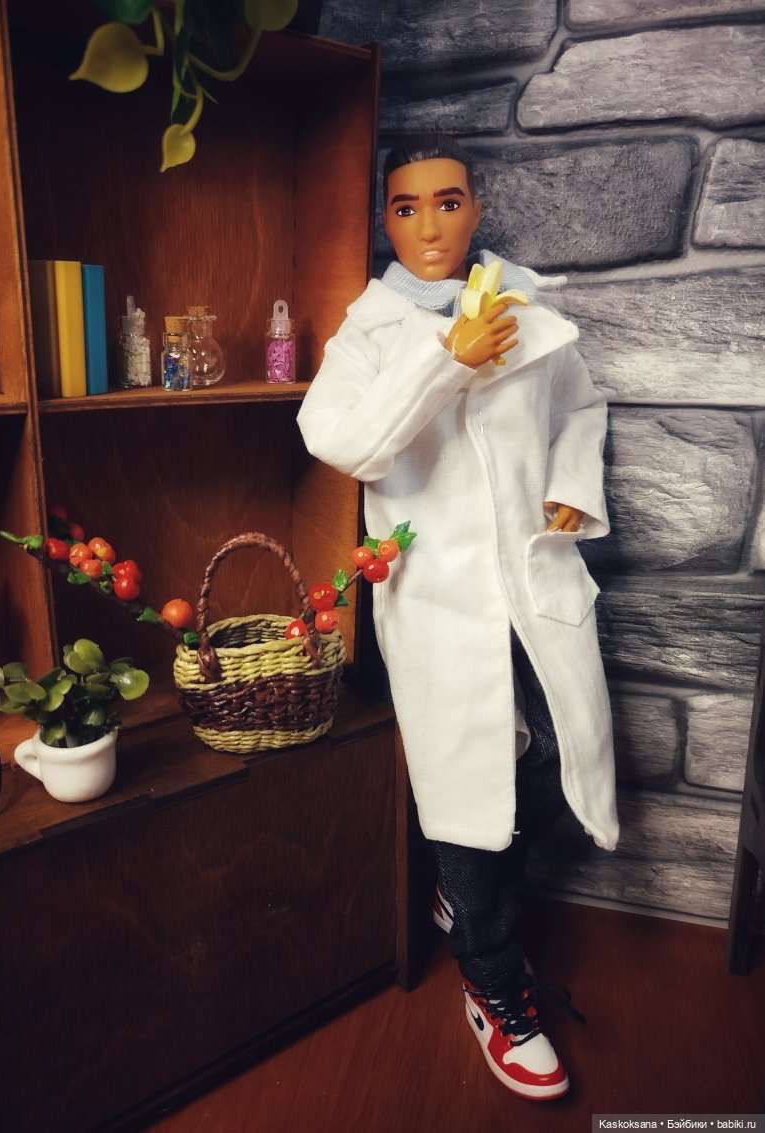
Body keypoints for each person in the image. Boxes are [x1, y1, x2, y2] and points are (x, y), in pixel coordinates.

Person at [297, 132, 618, 1102]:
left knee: (557, 755)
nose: (429, 225)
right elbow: (342, 439)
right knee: (464, 787)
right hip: (437, 596)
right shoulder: (369, 332)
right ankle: (490, 976)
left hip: (532, 580)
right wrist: (446, 358)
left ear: (476, 209)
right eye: (406, 207)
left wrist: (570, 486)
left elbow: (581, 407)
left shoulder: (526, 307)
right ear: (385, 220)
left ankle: (462, 889)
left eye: (447, 201)